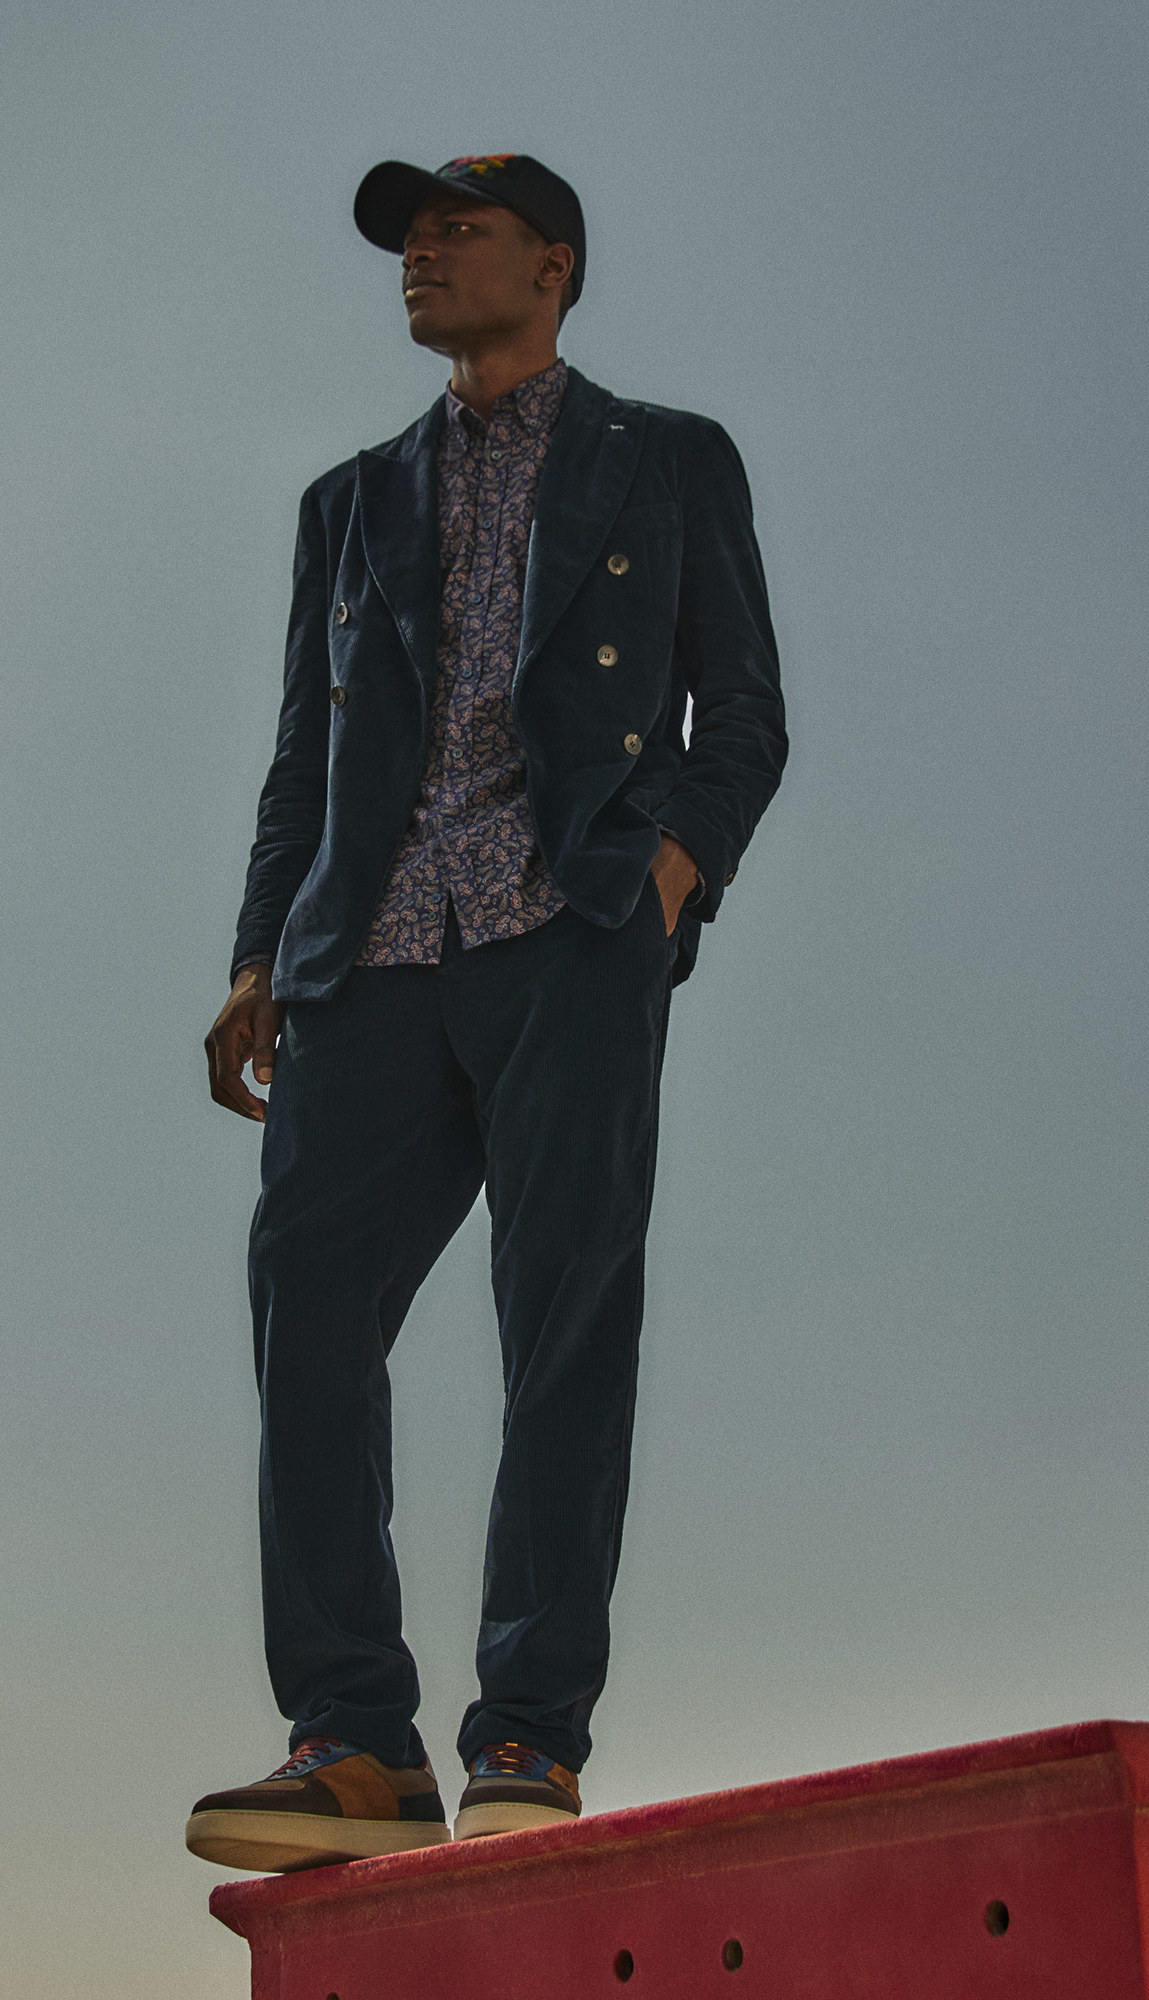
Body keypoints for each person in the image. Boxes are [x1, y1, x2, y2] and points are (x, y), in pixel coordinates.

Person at [188, 153, 786, 1875]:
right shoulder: (346, 502)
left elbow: (743, 711)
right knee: (307, 1313)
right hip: (364, 953)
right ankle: (355, 1751)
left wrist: (667, 877)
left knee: (564, 1328)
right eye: (408, 238)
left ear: (556, 262)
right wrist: (255, 953)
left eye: (459, 230)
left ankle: (527, 1732)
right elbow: (306, 760)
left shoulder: (668, 458)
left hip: (568, 931)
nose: (423, 257)